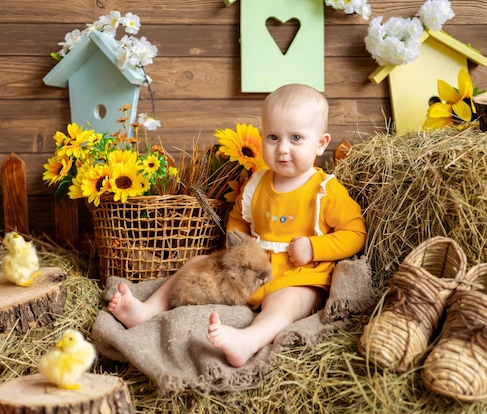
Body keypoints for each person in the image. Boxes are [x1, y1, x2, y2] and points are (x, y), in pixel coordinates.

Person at [107, 83, 367, 367]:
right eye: (272, 137)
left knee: (285, 303)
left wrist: (315, 247)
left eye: (296, 138)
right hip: (250, 272)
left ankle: (248, 341)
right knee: (195, 263)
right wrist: (237, 250)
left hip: (299, 274)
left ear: (320, 142)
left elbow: (355, 233)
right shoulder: (256, 184)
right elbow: (238, 221)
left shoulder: (325, 191)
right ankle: (145, 311)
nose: (282, 148)